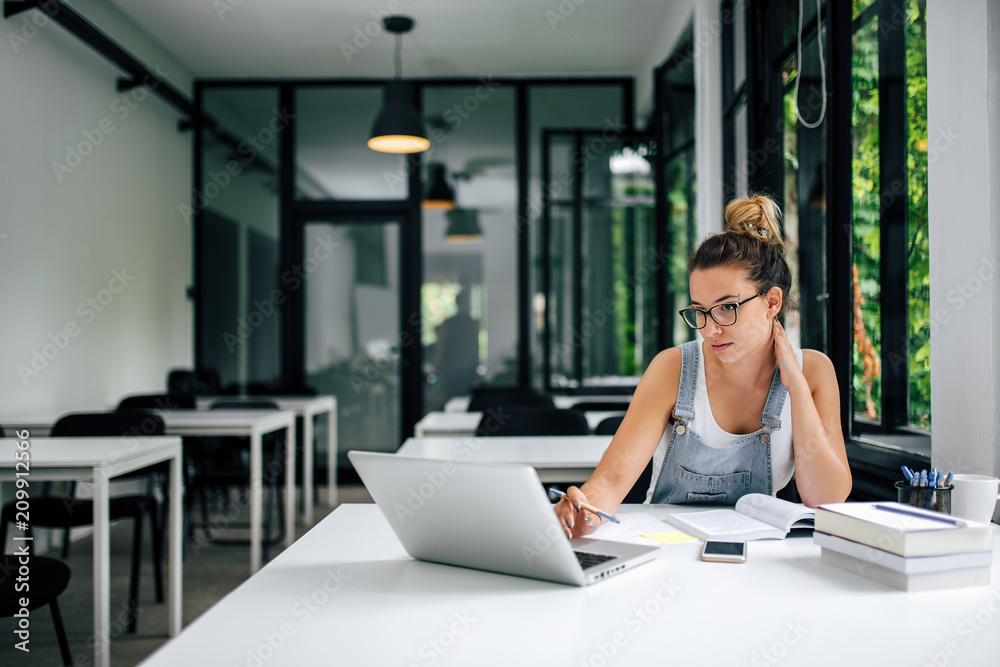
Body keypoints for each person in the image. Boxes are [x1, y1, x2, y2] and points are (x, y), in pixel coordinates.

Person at [556, 194, 852, 538]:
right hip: (669, 550)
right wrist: (580, 512)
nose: (710, 329)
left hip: (762, 561)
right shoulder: (673, 368)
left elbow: (826, 499)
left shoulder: (815, 372)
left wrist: (796, 387)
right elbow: (609, 483)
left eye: (727, 307)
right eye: (700, 310)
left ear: (772, 301)